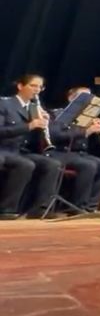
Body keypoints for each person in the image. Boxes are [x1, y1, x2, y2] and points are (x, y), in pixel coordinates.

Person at [0, 74, 64, 219]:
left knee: (52, 164)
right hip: (4, 148)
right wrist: (29, 126)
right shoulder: (5, 104)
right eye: (33, 86)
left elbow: (34, 140)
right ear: (20, 86)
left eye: (40, 87)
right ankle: (7, 209)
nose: (37, 90)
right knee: (26, 165)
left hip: (20, 151)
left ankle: (40, 209)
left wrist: (46, 124)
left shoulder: (35, 109)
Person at [46, 86, 100, 213]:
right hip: (60, 152)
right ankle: (77, 206)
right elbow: (56, 136)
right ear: (71, 98)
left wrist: (98, 130)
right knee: (88, 166)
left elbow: (98, 145)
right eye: (83, 97)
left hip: (80, 154)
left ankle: (91, 206)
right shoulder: (57, 114)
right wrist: (85, 132)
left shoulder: (88, 118)